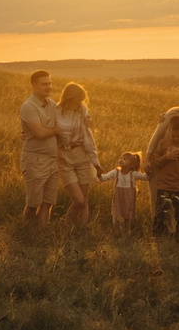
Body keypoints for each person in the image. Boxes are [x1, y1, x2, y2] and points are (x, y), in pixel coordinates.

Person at [17, 70, 61, 223]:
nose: (48, 87)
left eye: (50, 83)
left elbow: (68, 118)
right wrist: (56, 129)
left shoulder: (52, 104)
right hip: (35, 160)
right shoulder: (28, 106)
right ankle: (26, 232)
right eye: (44, 84)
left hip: (53, 160)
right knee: (33, 203)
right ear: (34, 85)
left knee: (48, 202)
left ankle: (42, 233)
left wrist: (86, 121)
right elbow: (39, 133)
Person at [143, 106, 179, 237]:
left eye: (178, 136)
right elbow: (157, 162)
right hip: (164, 185)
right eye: (173, 135)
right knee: (160, 212)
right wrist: (166, 157)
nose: (175, 138)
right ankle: (157, 237)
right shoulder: (163, 143)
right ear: (169, 130)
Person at [53, 81, 98, 230]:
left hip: (82, 155)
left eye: (82, 100)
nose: (80, 103)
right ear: (69, 98)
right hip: (63, 156)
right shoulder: (55, 111)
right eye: (78, 99)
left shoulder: (82, 109)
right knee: (78, 200)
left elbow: (87, 133)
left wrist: (94, 159)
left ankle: (79, 229)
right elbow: (48, 131)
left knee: (84, 199)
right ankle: (67, 226)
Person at [106, 149, 145, 232]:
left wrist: (149, 172)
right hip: (118, 198)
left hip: (129, 199)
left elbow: (145, 177)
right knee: (116, 216)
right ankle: (117, 233)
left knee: (127, 218)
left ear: (131, 164)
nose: (121, 160)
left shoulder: (133, 174)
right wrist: (98, 175)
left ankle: (127, 233)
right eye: (121, 158)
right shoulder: (116, 172)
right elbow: (105, 177)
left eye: (124, 159)